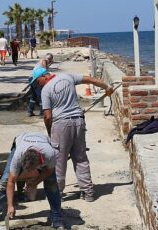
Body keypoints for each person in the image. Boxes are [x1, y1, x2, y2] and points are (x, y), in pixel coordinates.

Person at [32, 67, 114, 202]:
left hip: (61, 125)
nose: (37, 84)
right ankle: (88, 193)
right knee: (81, 158)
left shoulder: (46, 90)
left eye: (37, 81)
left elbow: (47, 116)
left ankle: (57, 194)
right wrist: (107, 86)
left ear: (44, 76)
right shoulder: (67, 76)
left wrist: (50, 133)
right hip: (79, 122)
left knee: (59, 160)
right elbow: (90, 79)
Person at [0, 132, 64, 229]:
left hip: (43, 142)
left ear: (39, 164)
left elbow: (50, 171)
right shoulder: (18, 155)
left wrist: (34, 183)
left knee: (51, 183)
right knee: (5, 181)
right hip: (20, 141)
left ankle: (56, 217)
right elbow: (11, 181)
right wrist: (10, 206)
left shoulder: (49, 154)